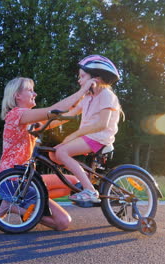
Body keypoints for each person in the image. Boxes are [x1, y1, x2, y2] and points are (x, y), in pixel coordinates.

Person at [0, 76, 95, 231]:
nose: (35, 94)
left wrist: (79, 108)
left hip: (27, 180)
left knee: (71, 182)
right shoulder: (17, 114)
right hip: (15, 181)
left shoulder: (27, 121)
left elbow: (55, 120)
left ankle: (14, 202)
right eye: (30, 90)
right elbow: (55, 110)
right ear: (17, 95)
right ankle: (18, 207)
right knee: (63, 223)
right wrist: (83, 90)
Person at [50, 54, 122, 205]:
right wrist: (45, 123)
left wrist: (75, 134)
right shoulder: (88, 98)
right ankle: (83, 181)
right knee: (54, 154)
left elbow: (102, 124)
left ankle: (90, 190)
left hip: (99, 137)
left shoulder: (106, 95)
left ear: (95, 78)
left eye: (82, 76)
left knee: (62, 152)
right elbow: (69, 113)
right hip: (88, 137)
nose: (79, 80)